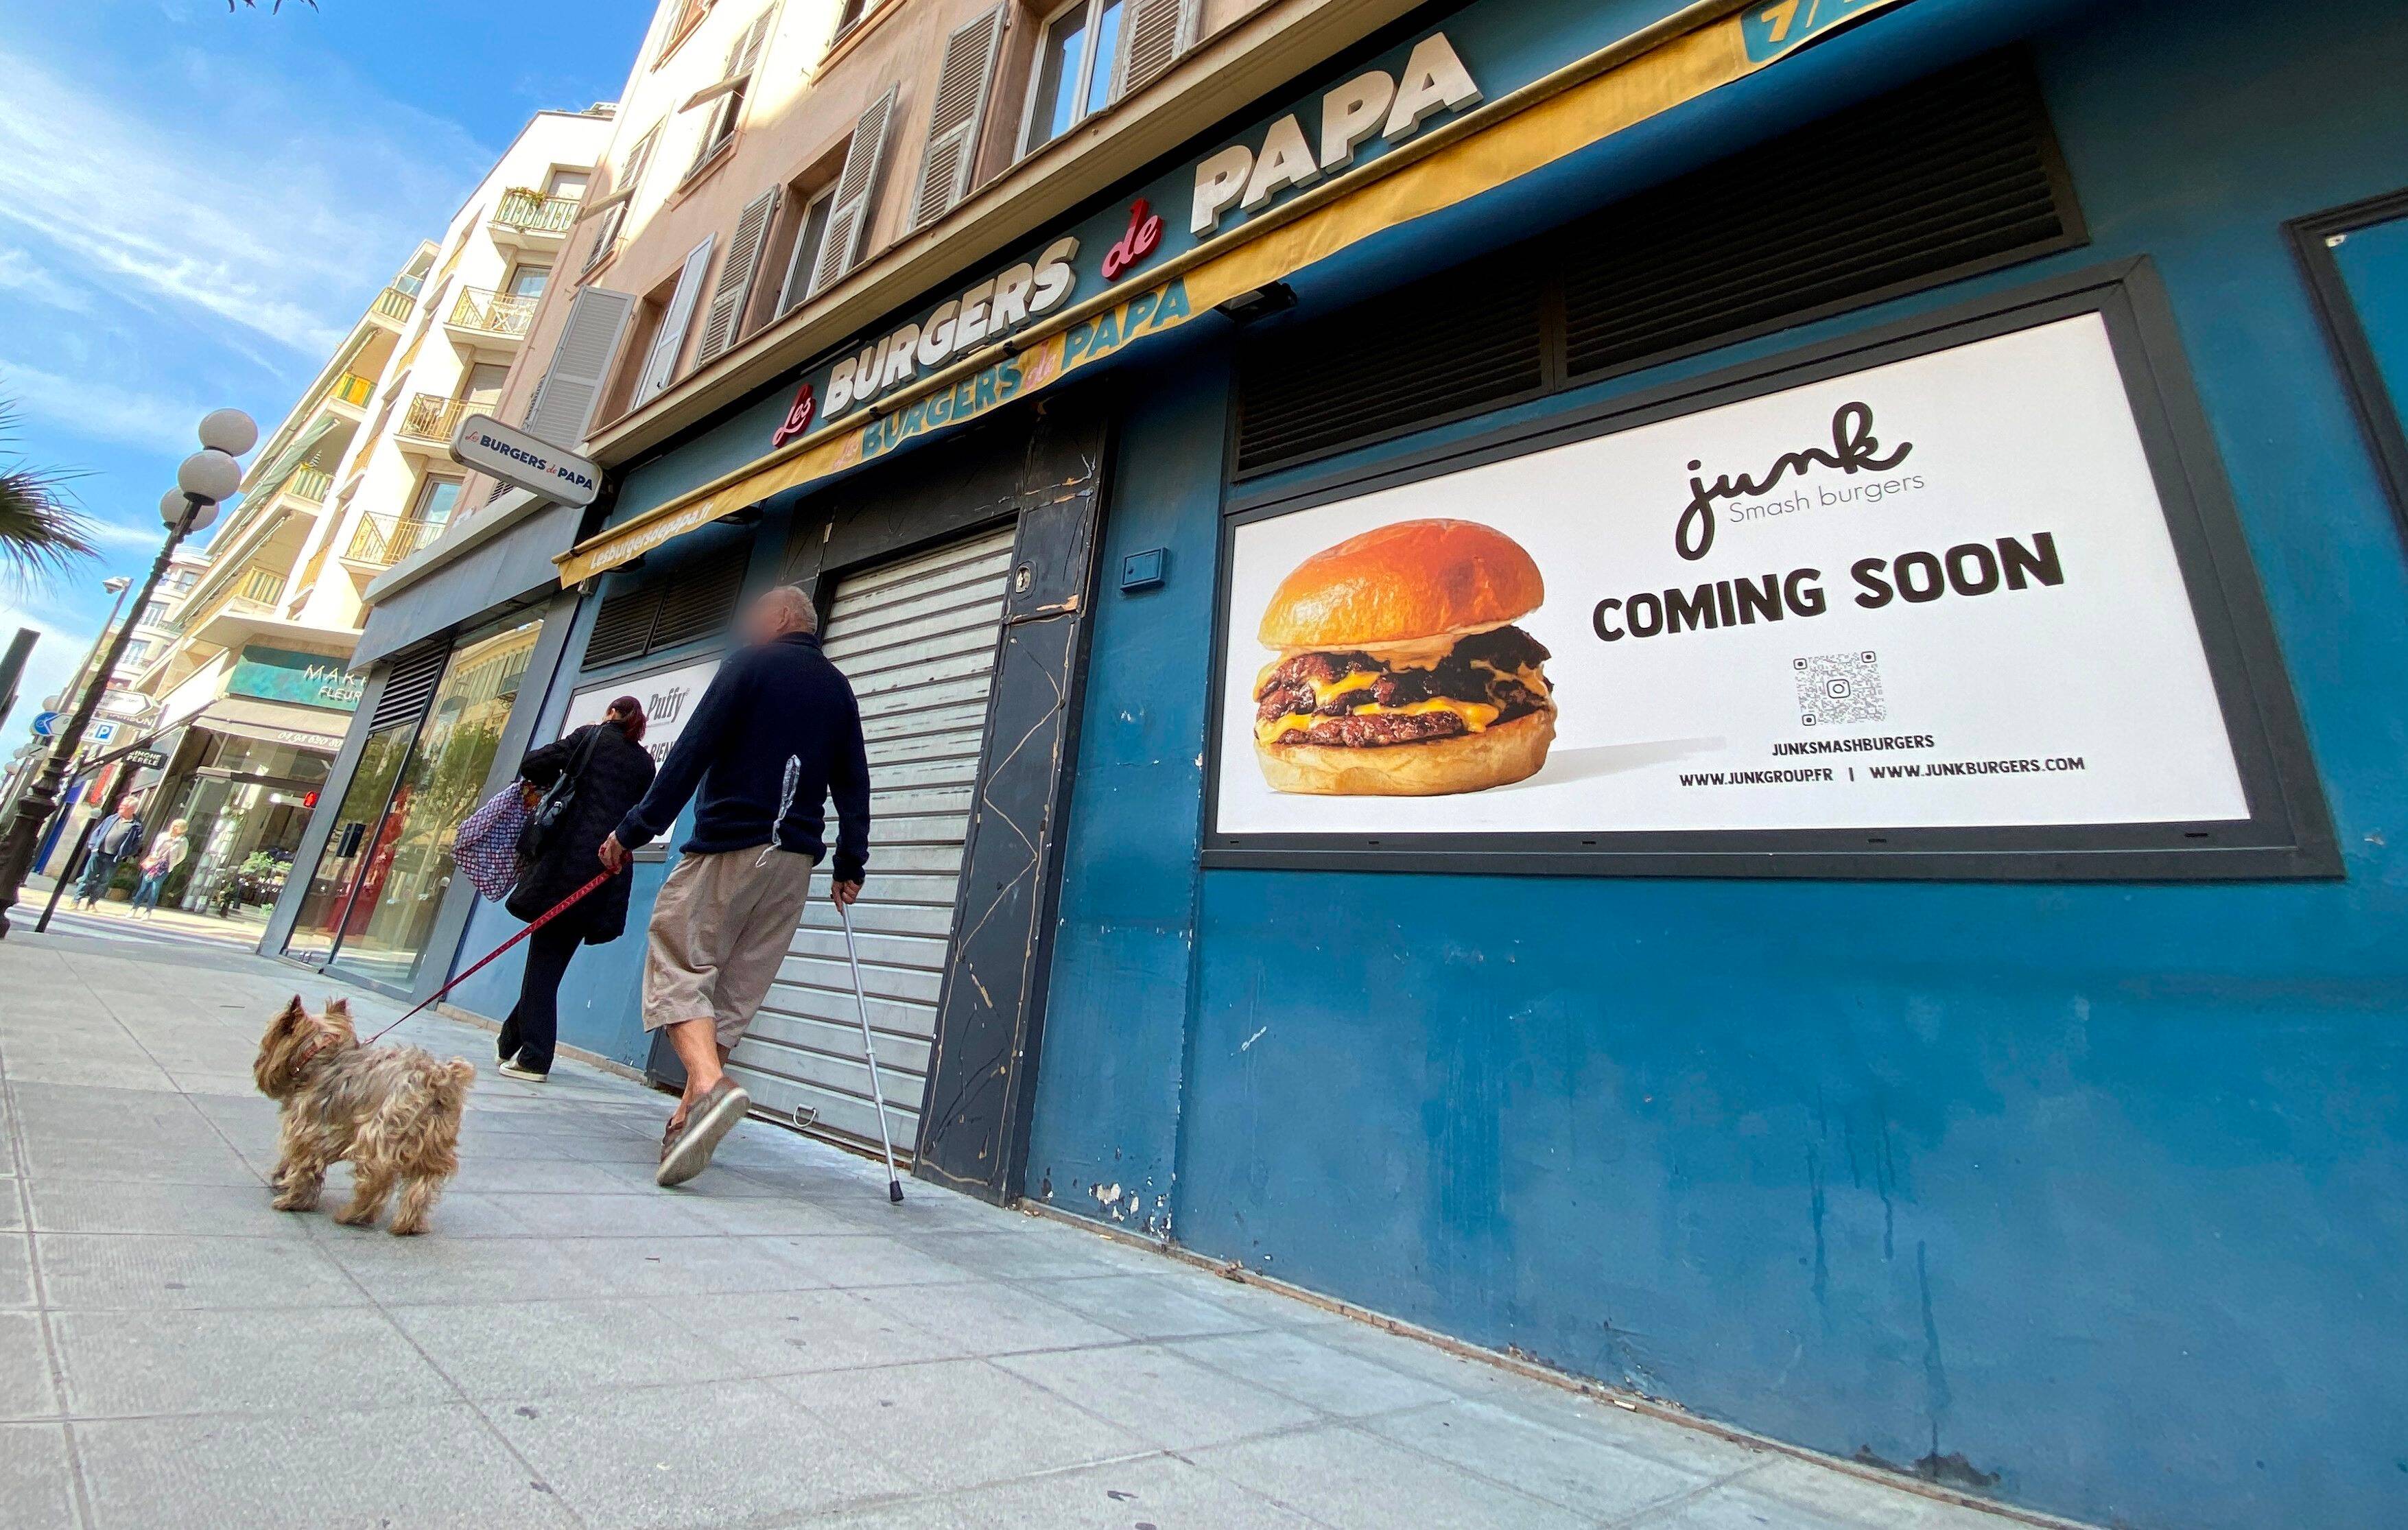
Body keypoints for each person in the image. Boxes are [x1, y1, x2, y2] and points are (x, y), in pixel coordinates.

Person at [600, 585, 870, 1186]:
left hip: (730, 847)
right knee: (736, 993)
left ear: (778, 619)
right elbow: (854, 781)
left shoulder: (748, 666)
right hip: (794, 865)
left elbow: (690, 753)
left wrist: (632, 830)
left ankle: (709, 1083)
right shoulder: (837, 688)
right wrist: (851, 864)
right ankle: (686, 1124)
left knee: (677, 957)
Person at [495, 698, 657, 1082]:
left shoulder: (591, 738)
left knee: (543, 965)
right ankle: (508, 1040)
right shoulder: (645, 763)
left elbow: (532, 763)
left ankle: (534, 1058)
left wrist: (576, 750)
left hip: (564, 870)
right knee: (550, 964)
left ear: (611, 713)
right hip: (605, 876)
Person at [74, 797, 145, 910]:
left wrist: (125, 853)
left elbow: (136, 844)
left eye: (123, 806)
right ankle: (76, 900)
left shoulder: (136, 826)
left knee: (103, 881)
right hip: (98, 853)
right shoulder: (112, 818)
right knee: (87, 877)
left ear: (132, 809)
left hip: (113, 858)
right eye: (121, 805)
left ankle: (92, 903)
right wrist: (93, 846)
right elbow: (97, 832)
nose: (120, 807)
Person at [128, 817, 191, 919]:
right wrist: (153, 858)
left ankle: (148, 911)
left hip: (164, 867)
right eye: (173, 826)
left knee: (155, 889)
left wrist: (172, 864)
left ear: (182, 829)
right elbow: (154, 848)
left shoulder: (183, 841)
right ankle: (134, 908)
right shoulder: (163, 836)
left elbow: (182, 856)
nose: (174, 828)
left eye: (177, 827)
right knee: (143, 887)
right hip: (153, 864)